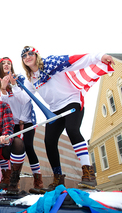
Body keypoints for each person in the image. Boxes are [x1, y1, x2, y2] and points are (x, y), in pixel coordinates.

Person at [20, 46, 115, 192]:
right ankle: (58, 179)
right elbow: (24, 98)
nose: (27, 57)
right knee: (49, 141)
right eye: (24, 55)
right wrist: (13, 86)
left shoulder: (51, 63)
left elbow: (75, 60)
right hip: (54, 111)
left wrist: (99, 56)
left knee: (72, 130)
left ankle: (88, 174)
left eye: (30, 53)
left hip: (72, 100)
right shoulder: (30, 79)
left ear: (36, 54)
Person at [0, 57, 43, 193]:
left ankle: (38, 180)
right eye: (3, 63)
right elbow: (0, 106)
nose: (6, 65)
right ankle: (9, 178)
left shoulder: (20, 79)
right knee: (7, 148)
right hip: (9, 123)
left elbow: (26, 101)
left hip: (26, 121)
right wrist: (3, 89)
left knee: (28, 147)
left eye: (8, 63)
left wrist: (22, 120)